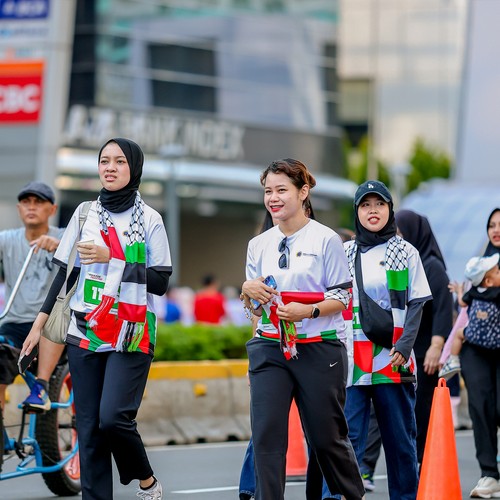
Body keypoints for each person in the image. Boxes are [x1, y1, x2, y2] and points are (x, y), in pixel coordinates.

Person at [21, 138, 171, 500]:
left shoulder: (150, 219)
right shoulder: (84, 213)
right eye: (105, 161)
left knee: (113, 418)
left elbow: (161, 282)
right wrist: (39, 325)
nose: (110, 167)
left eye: (119, 161)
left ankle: (146, 479)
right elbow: (65, 273)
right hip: (85, 328)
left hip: (132, 331)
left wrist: (113, 257)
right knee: (88, 430)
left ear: (134, 168)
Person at [240, 158, 364, 500]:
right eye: (268, 191)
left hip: (319, 348)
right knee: (266, 437)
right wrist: (248, 292)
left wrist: (307, 311)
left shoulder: (326, 239)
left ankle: (352, 495)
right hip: (269, 348)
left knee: (327, 438)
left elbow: (343, 296)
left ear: (303, 191)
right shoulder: (258, 244)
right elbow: (255, 308)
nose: (273, 198)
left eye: (281, 190)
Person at [330, 180, 432, 500]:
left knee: (400, 444)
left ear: (390, 209)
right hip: (351, 360)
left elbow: (417, 302)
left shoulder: (405, 250)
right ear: (356, 211)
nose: (372, 211)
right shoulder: (345, 252)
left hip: (394, 359)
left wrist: (404, 345)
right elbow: (332, 300)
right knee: (346, 442)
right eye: (365, 205)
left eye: (379, 204)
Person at [394, 209, 454, 465]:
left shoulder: (432, 267)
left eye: (401, 233)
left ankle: (424, 463)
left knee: (422, 410)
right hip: (405, 351)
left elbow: (443, 308)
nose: (397, 239)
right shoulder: (403, 265)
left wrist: (436, 345)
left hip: (425, 353)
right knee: (405, 413)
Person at [0, 181, 63, 413]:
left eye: (39, 202)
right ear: (19, 209)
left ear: (52, 209)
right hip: (14, 324)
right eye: (26, 202)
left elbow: (85, 252)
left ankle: (41, 387)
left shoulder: (64, 237)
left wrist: (60, 247)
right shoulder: (7, 239)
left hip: (51, 325)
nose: (32, 207)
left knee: (53, 324)